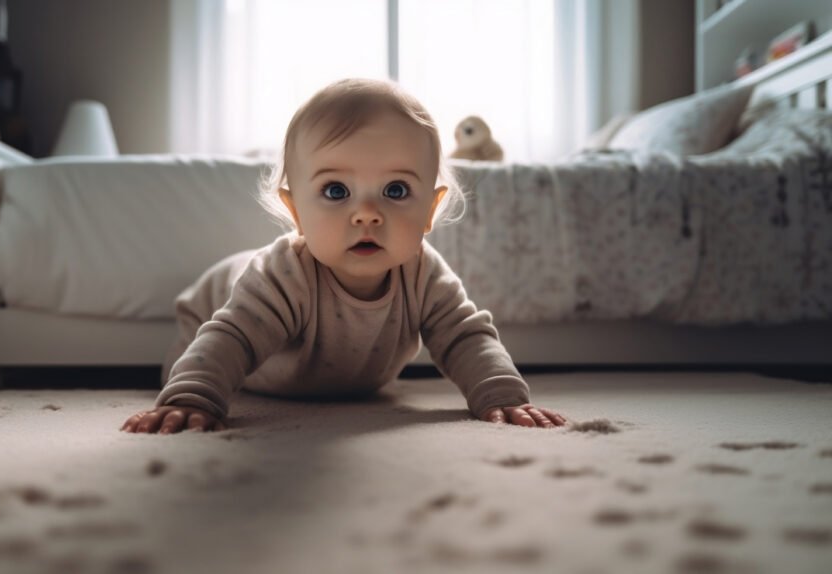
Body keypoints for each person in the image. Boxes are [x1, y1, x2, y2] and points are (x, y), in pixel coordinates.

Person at [121, 78, 566, 434]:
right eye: (336, 191)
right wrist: (191, 397)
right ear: (296, 212)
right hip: (213, 304)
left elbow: (466, 337)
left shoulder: (423, 274)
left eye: (396, 190)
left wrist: (503, 396)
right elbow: (232, 336)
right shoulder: (285, 274)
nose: (367, 215)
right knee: (193, 362)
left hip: (341, 376)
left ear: (430, 211)